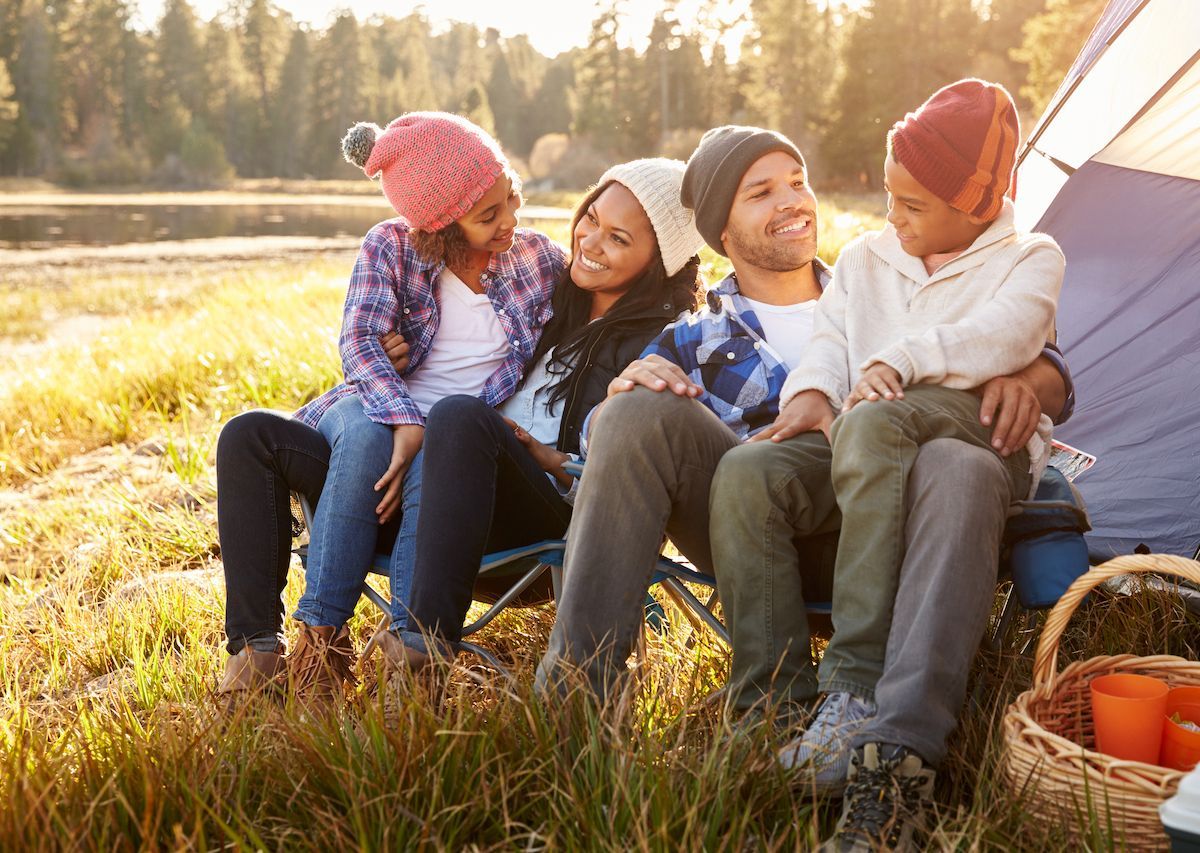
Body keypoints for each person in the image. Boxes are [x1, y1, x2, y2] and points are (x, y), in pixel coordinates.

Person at [533, 124, 1073, 714]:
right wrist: (619, 398)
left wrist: (1033, 377)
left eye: (797, 182)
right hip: (755, 544)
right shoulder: (692, 339)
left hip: (899, 529)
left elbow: (1011, 344)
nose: (791, 201)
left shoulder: (882, 281)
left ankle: (886, 717)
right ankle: (575, 702)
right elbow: (605, 453)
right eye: (760, 193)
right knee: (634, 413)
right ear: (721, 230)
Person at [714, 80, 1067, 851]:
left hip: (971, 432)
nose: (892, 217)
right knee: (749, 472)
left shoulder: (1030, 255)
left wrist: (898, 362)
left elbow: (1003, 337)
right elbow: (834, 342)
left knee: (880, 425)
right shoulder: (871, 256)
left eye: (913, 205)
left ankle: (859, 688)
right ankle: (775, 714)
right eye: (888, 197)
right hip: (873, 430)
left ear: (976, 203)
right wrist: (811, 391)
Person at [214, 112, 565, 704]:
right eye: (488, 216)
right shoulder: (391, 246)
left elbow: (612, 289)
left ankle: (370, 650)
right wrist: (402, 414)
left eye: (513, 198)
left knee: (434, 439)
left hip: (450, 456)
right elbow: (358, 343)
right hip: (373, 418)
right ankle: (261, 654)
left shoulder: (536, 260)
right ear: (440, 225)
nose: (509, 221)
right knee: (251, 434)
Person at [360, 159, 706, 668]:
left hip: (553, 517)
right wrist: (398, 350)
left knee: (460, 416)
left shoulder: (668, 341)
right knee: (277, 439)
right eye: (591, 217)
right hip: (455, 484)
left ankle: (419, 651)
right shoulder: (548, 287)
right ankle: (305, 645)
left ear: (660, 261)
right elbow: (456, 326)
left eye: (618, 239)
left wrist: (551, 460)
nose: (588, 241)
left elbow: (646, 475)